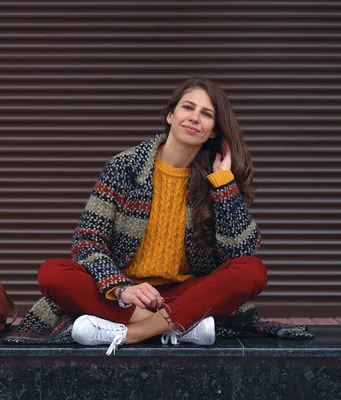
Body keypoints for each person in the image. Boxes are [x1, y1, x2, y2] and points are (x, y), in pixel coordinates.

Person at [36, 77, 268, 355]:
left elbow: (238, 253)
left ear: (213, 132)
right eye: (188, 108)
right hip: (128, 297)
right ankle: (180, 327)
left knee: (252, 271)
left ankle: (131, 333)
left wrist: (224, 183)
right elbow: (88, 241)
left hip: (185, 294)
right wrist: (121, 289)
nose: (194, 118)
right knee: (53, 273)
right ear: (171, 115)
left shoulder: (215, 180)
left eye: (206, 114)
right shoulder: (124, 166)